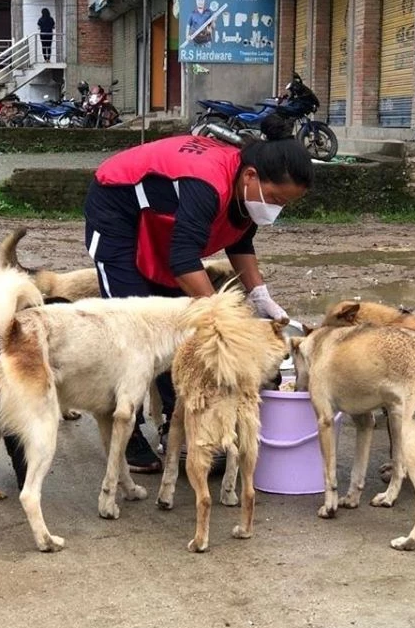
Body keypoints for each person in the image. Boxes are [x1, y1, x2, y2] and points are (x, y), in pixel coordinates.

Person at [83, 114, 314, 472]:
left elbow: (240, 239)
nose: (276, 208)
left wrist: (259, 296)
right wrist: (223, 320)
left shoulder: (245, 189)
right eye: (274, 198)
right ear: (251, 177)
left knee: (180, 326)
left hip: (164, 225)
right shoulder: (207, 184)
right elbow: (184, 259)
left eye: (285, 204)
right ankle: (126, 434)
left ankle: (179, 429)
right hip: (117, 209)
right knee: (134, 327)